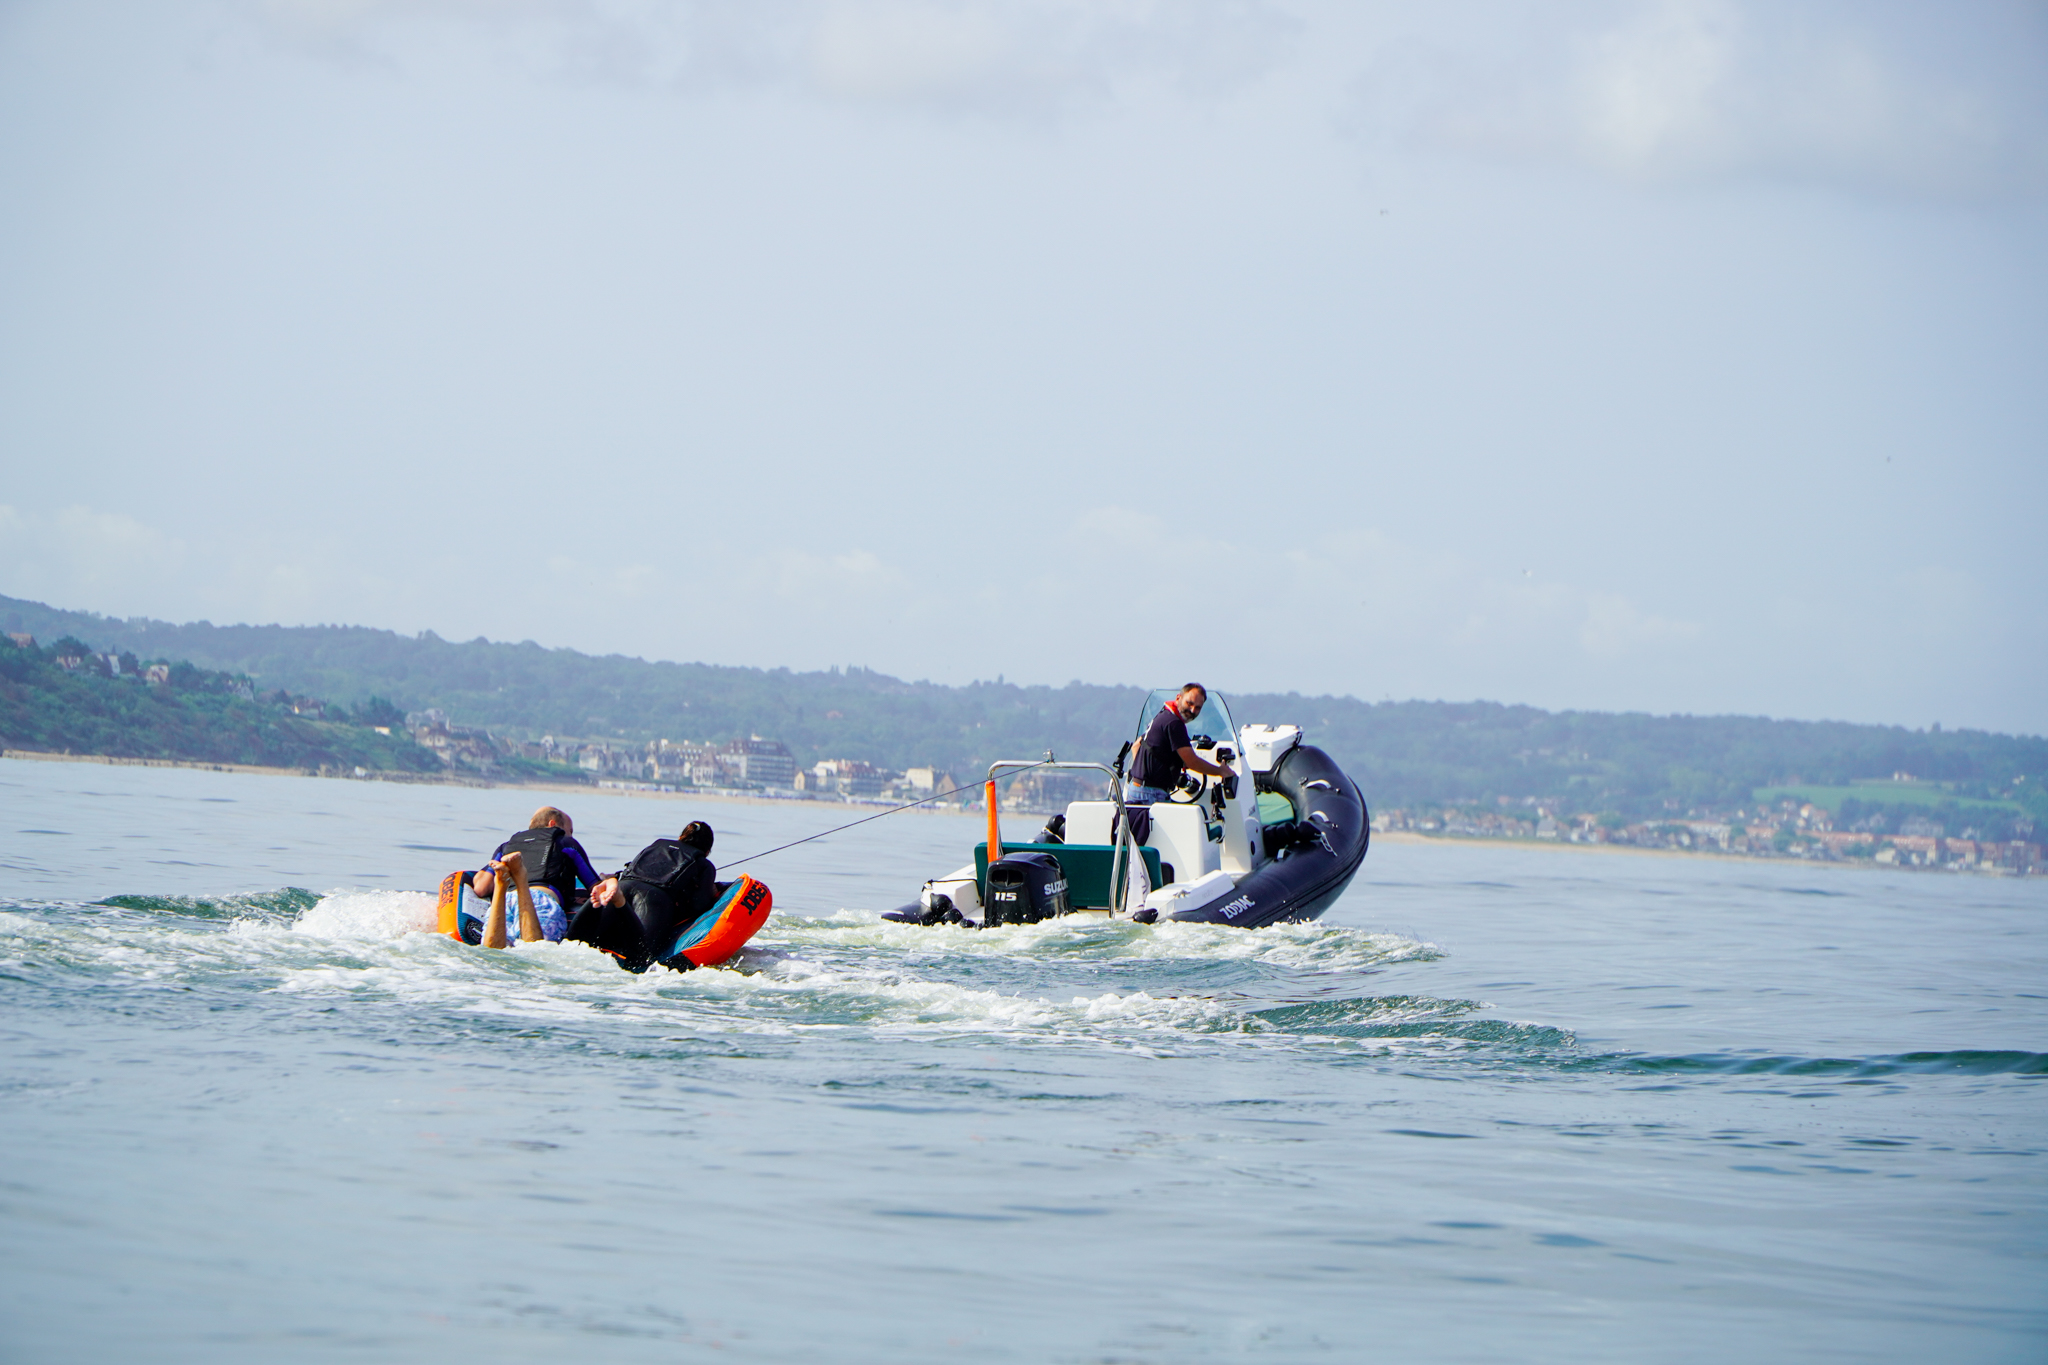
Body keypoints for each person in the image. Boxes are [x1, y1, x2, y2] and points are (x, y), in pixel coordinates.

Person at [567, 821, 719, 973]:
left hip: (624, 885)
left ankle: (617, 896)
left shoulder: (656, 846)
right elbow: (699, 905)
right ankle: (620, 902)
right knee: (640, 960)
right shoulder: (704, 864)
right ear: (707, 851)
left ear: (680, 837)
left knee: (576, 944)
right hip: (653, 899)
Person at [463, 806, 603, 945]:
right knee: (534, 948)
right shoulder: (566, 842)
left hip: (507, 899)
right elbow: (596, 887)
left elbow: (481, 888)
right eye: (569, 831)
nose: (571, 835)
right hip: (540, 898)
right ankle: (521, 878)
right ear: (552, 824)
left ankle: (501, 884)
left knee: (494, 951)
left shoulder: (507, 846)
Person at [1127, 683, 1233, 806]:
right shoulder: (1174, 723)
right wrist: (1221, 771)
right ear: (1178, 698)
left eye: (1198, 707)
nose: (1192, 710)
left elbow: (1136, 746)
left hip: (1137, 788)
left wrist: (1144, 772)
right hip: (1151, 793)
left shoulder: (1162, 716)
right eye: (1189, 703)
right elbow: (1192, 762)